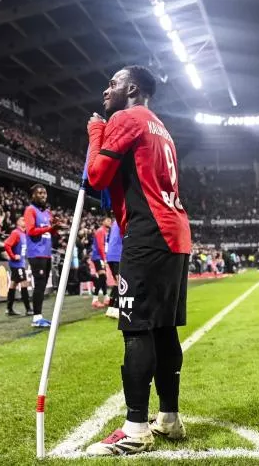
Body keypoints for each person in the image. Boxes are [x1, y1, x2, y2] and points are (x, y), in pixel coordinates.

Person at [84, 66, 191, 455]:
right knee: (163, 328)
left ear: (131, 89)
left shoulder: (127, 117)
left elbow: (97, 175)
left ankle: (135, 429)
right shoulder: (161, 127)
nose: (105, 90)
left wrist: (96, 132)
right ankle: (169, 418)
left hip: (148, 234)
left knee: (137, 329)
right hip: (175, 232)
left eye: (112, 83)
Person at [24, 185, 60, 328]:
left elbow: (51, 232)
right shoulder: (30, 210)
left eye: (44, 193)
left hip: (46, 253)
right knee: (39, 284)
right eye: (39, 193)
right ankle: (36, 318)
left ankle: (39, 316)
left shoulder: (47, 212)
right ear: (33, 195)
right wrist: (50, 228)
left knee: (43, 285)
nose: (43, 195)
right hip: (36, 253)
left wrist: (56, 227)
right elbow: (31, 231)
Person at [3, 216, 29, 316]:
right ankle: (28, 309)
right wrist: (13, 256)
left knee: (13, 284)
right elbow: (7, 244)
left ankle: (9, 309)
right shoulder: (16, 233)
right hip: (16, 264)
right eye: (23, 219)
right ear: (18, 222)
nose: (25, 221)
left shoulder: (24, 234)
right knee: (24, 283)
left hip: (20, 263)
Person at [90, 217, 112, 309]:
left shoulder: (106, 231)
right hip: (98, 256)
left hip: (101, 256)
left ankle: (106, 298)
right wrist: (104, 258)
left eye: (110, 220)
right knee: (102, 276)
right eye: (108, 220)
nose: (110, 222)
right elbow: (100, 246)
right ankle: (95, 300)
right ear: (103, 222)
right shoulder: (100, 231)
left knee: (103, 277)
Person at [105, 219, 123, 319]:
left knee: (117, 283)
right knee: (122, 283)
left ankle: (110, 309)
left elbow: (108, 239)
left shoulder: (115, 222)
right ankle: (116, 309)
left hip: (111, 255)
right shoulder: (124, 219)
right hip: (118, 254)